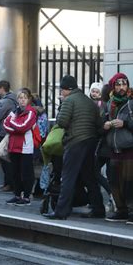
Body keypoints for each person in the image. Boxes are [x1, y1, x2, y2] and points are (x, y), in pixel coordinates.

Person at [43, 75, 105, 220]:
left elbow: (62, 122)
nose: (61, 93)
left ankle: (61, 211)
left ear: (65, 89)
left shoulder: (68, 100)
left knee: (68, 177)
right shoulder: (89, 102)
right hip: (90, 142)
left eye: (61, 90)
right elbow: (99, 124)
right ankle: (98, 208)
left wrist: (61, 106)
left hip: (75, 141)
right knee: (90, 177)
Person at [103, 73, 133, 225]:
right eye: (118, 84)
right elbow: (103, 119)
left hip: (131, 147)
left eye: (124, 84)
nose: (121, 87)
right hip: (114, 148)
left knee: (131, 182)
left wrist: (125, 123)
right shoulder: (110, 102)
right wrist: (106, 124)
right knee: (115, 181)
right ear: (113, 86)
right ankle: (120, 210)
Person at [3, 89, 37, 206]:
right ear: (17, 99)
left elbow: (23, 127)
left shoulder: (31, 112)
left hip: (25, 148)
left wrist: (13, 124)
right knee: (15, 173)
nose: (22, 100)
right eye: (20, 98)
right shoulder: (15, 111)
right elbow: (4, 124)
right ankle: (17, 195)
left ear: (28, 100)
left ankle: (26, 197)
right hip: (13, 146)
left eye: (25, 98)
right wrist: (15, 128)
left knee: (26, 173)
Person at [90, 82, 115, 213]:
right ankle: (112, 198)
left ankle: (112, 195)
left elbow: (100, 126)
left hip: (104, 145)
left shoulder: (104, 106)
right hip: (109, 145)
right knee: (107, 174)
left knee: (93, 171)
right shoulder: (110, 105)